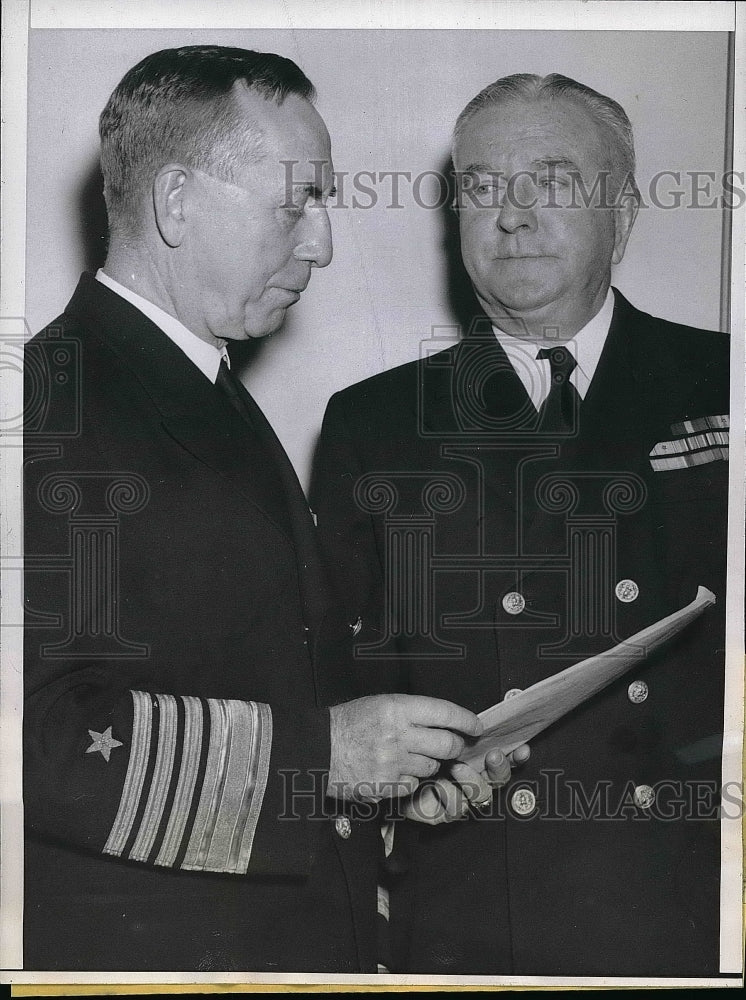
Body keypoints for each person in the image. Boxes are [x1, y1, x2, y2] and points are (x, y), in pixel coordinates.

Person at [22, 45, 489, 973]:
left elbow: (253, 664)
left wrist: (393, 771)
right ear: (176, 203)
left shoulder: (199, 385)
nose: (323, 242)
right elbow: (35, 739)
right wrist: (324, 763)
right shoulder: (48, 406)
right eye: (297, 202)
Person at [312, 73, 730, 976]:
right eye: (483, 187)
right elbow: (336, 686)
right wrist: (408, 792)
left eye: (552, 179)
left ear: (621, 213)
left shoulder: (723, 381)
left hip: (699, 896)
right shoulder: (374, 424)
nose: (512, 215)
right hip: (480, 907)